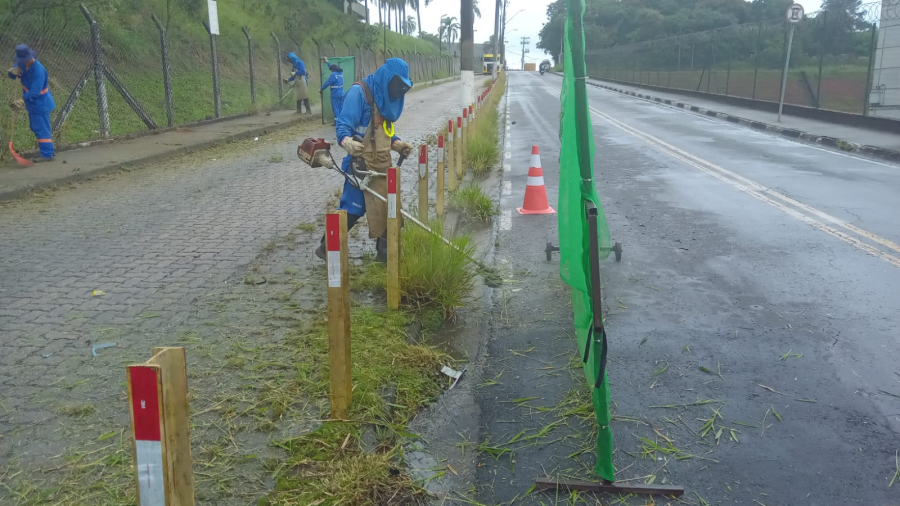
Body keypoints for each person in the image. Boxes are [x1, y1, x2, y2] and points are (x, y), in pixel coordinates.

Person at [315, 58, 414, 262]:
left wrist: (396, 144)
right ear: (387, 79)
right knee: (354, 207)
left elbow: (385, 131)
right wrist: (346, 141)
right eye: (395, 86)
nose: (397, 92)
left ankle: (384, 257)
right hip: (360, 164)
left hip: (382, 163)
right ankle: (327, 247)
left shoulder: (386, 99)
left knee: (388, 206)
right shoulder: (360, 93)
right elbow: (343, 123)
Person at [8, 44, 55, 163]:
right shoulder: (21, 65)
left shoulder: (39, 70)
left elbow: (35, 91)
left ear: (30, 57)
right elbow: (13, 74)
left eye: (25, 60)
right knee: (35, 127)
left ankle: (47, 155)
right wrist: (12, 72)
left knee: (41, 129)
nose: (24, 63)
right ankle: (48, 150)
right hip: (33, 104)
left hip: (41, 103)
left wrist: (21, 100)